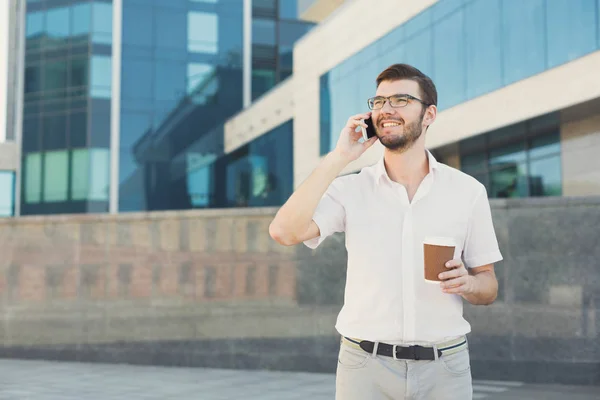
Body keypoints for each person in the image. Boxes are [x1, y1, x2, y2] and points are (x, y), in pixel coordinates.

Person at [269, 63, 503, 400]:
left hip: (445, 369)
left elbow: (489, 286)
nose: (386, 110)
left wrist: (469, 283)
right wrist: (339, 157)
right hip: (364, 369)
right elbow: (283, 232)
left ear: (429, 114)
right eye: (378, 102)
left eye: (401, 99)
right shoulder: (350, 189)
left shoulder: (468, 192)